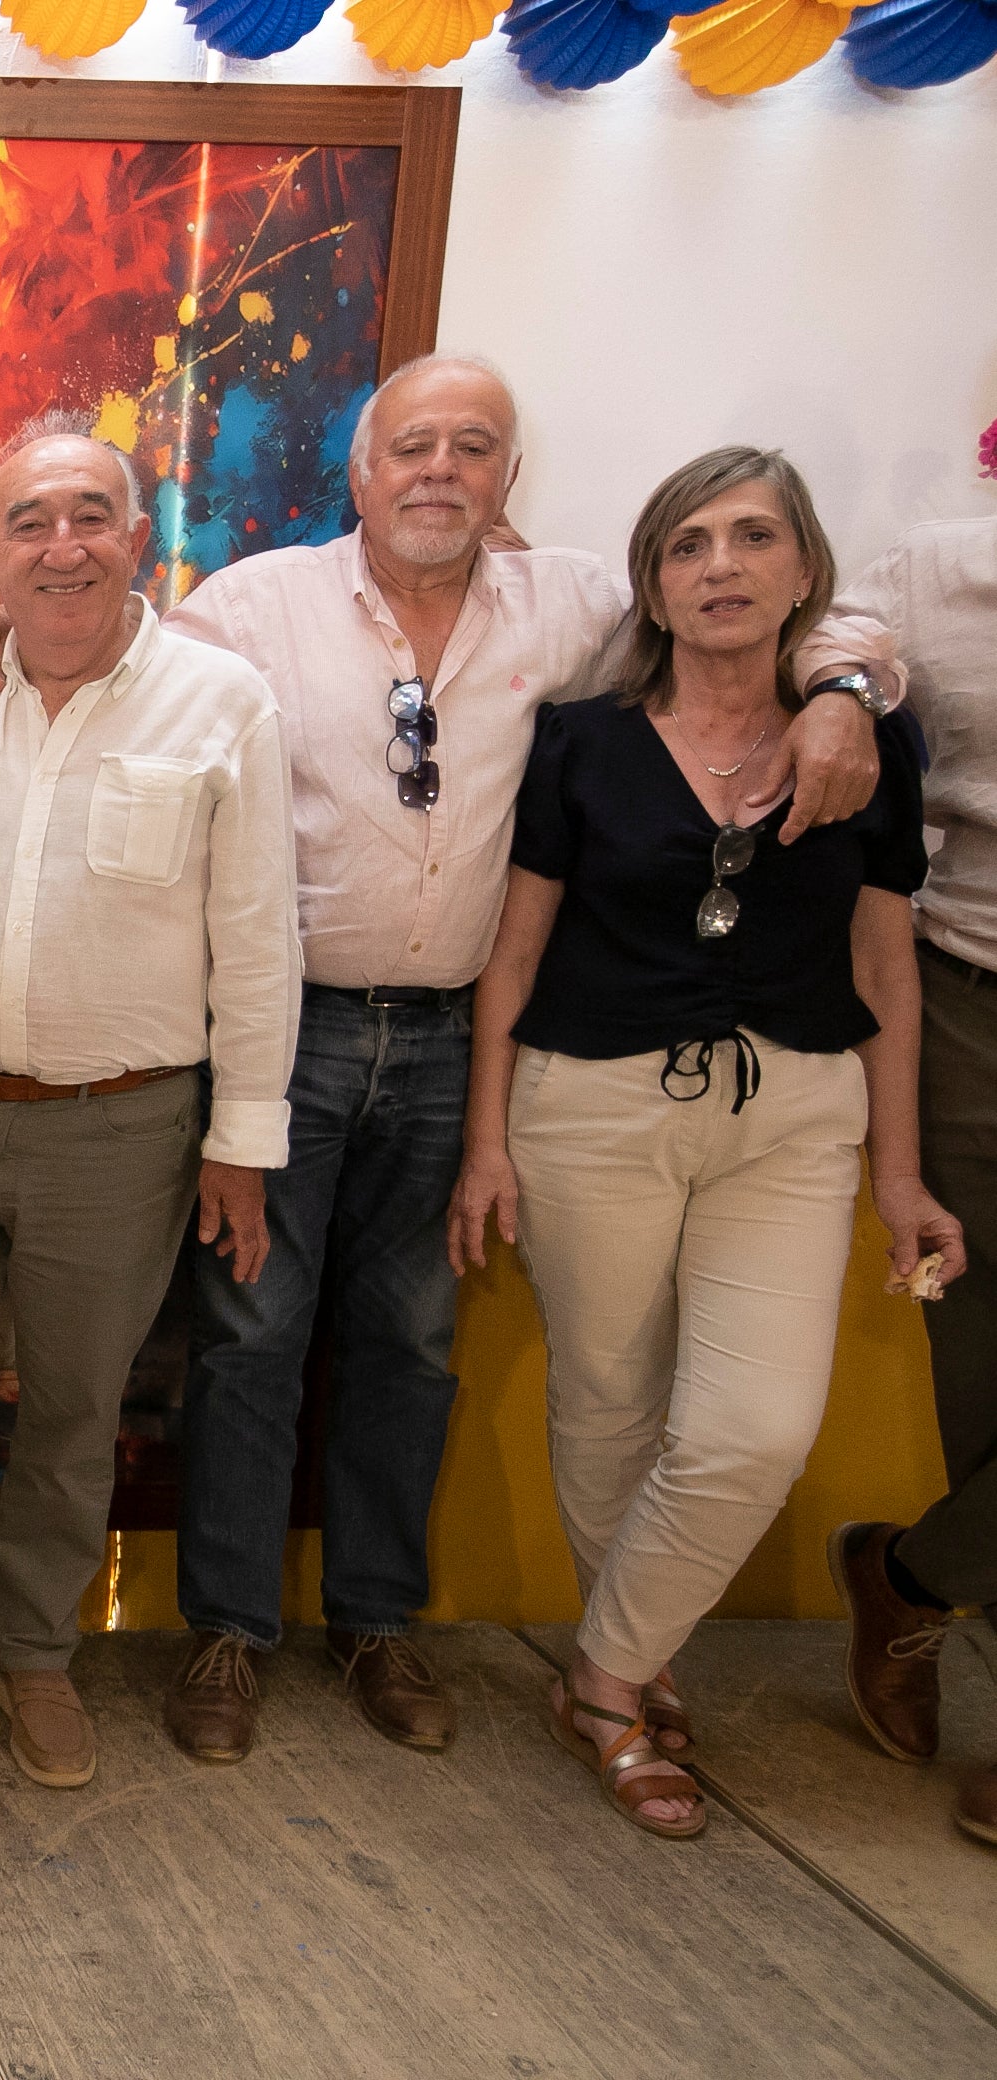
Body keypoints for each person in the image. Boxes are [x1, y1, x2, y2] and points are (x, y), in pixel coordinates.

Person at [0, 356, 900, 1765]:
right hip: (284, 1031)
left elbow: (760, 610)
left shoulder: (575, 606)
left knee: (410, 1339)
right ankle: (227, 1630)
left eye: (472, 446)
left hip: (465, 1036)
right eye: (412, 446)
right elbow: (102, 642)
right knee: (251, 1337)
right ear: (360, 473)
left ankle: (376, 1620)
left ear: (508, 478)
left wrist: (842, 688)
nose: (439, 469)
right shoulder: (253, 606)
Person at [448, 446, 962, 1841]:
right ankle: (637, 1671)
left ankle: (603, 1669)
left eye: (751, 538)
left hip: (795, 1117)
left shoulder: (867, 745)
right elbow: (513, 952)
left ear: (804, 572)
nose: (720, 566)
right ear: (654, 584)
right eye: (687, 544)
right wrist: (486, 1142)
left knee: (754, 1429)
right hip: (588, 1106)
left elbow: (886, 968)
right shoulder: (581, 742)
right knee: (607, 1401)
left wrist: (899, 1172)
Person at [0, 419, 297, 1788]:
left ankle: (35, 1650)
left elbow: (259, 941)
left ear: (136, 539)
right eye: (29, 523)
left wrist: (242, 1141)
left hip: (124, 1128)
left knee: (69, 1407)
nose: (62, 547)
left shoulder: (220, 704)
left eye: (90, 516)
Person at [825, 475, 997, 1851]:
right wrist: (838, 696)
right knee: (981, 1370)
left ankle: (911, 1574)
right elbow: (835, 635)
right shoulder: (945, 566)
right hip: (970, 1010)